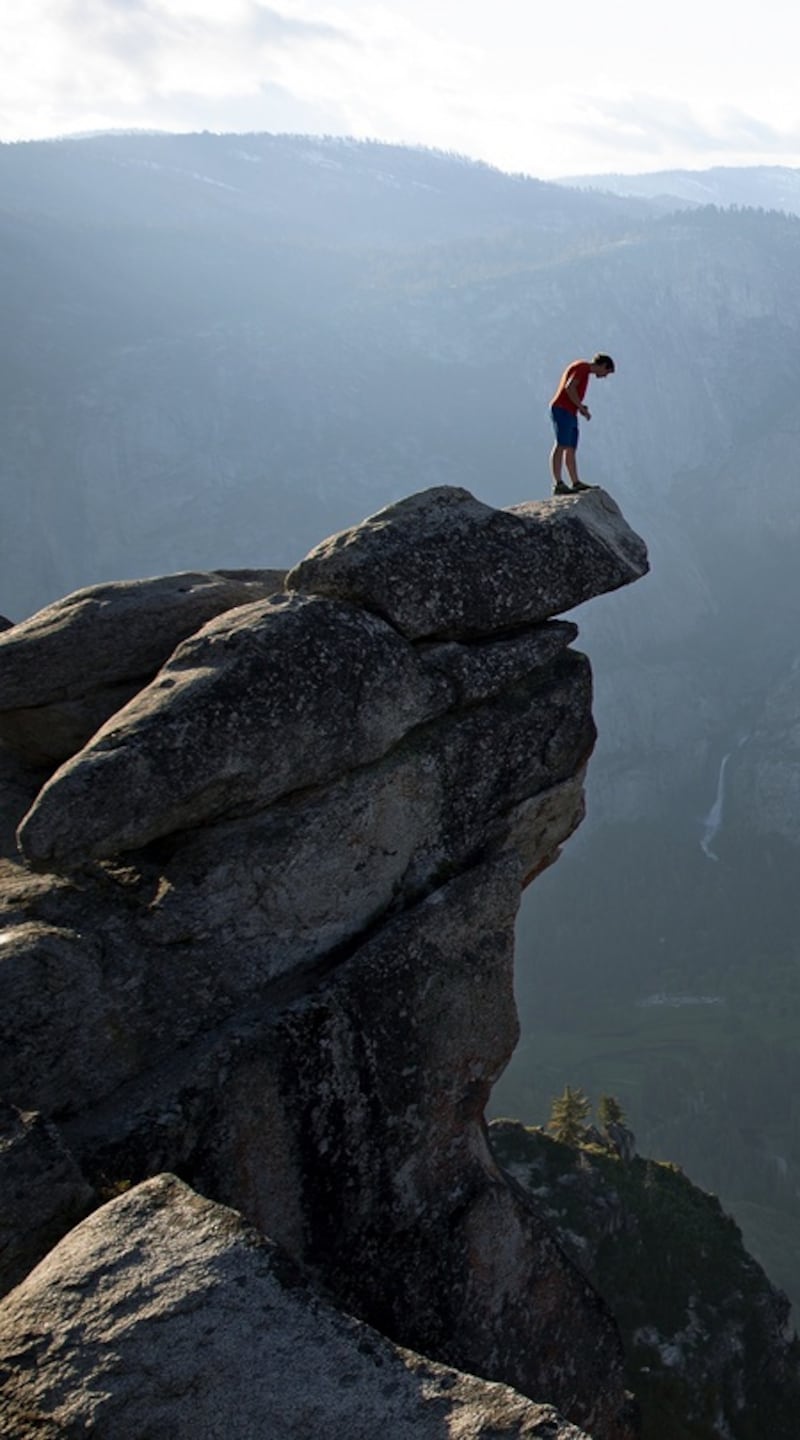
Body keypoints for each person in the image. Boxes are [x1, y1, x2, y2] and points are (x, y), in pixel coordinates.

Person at [549, 353, 615, 495]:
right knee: (561, 444)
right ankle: (558, 483)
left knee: (571, 447)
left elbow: (572, 390)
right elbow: (570, 387)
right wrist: (580, 407)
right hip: (562, 409)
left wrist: (579, 407)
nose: (604, 376)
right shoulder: (582, 367)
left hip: (570, 411)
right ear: (603, 366)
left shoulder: (585, 371)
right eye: (606, 372)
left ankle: (575, 482)